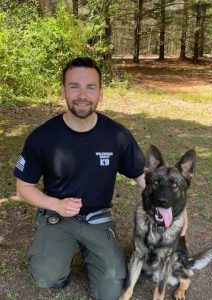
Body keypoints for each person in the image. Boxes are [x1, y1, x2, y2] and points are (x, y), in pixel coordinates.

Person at [13, 57, 146, 300]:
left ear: (100, 93)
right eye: (74, 86)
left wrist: (173, 210)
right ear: (63, 90)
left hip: (98, 218)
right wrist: (56, 205)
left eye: (90, 87)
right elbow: (23, 188)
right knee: (46, 276)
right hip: (57, 216)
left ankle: (93, 251)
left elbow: (143, 175)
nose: (82, 95)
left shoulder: (117, 135)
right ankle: (59, 254)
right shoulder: (42, 137)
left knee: (110, 293)